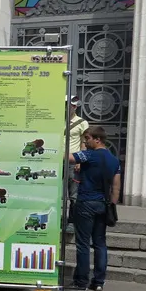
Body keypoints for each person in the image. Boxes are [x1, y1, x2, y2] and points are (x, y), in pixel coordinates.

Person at [68, 125, 120, 291]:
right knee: (100, 243)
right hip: (103, 205)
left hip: (86, 203)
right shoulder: (114, 159)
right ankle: (98, 281)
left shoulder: (89, 155)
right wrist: (112, 205)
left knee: (83, 243)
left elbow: (68, 157)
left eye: (87, 139)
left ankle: (81, 281)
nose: (85, 142)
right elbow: (116, 186)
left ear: (98, 139)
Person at [67, 96, 88, 233]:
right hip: (57, 161)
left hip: (73, 161)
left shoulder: (82, 123)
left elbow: (84, 142)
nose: (66, 107)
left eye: (69, 105)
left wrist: (80, 160)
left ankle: (72, 222)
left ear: (75, 107)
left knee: (73, 194)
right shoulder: (57, 120)